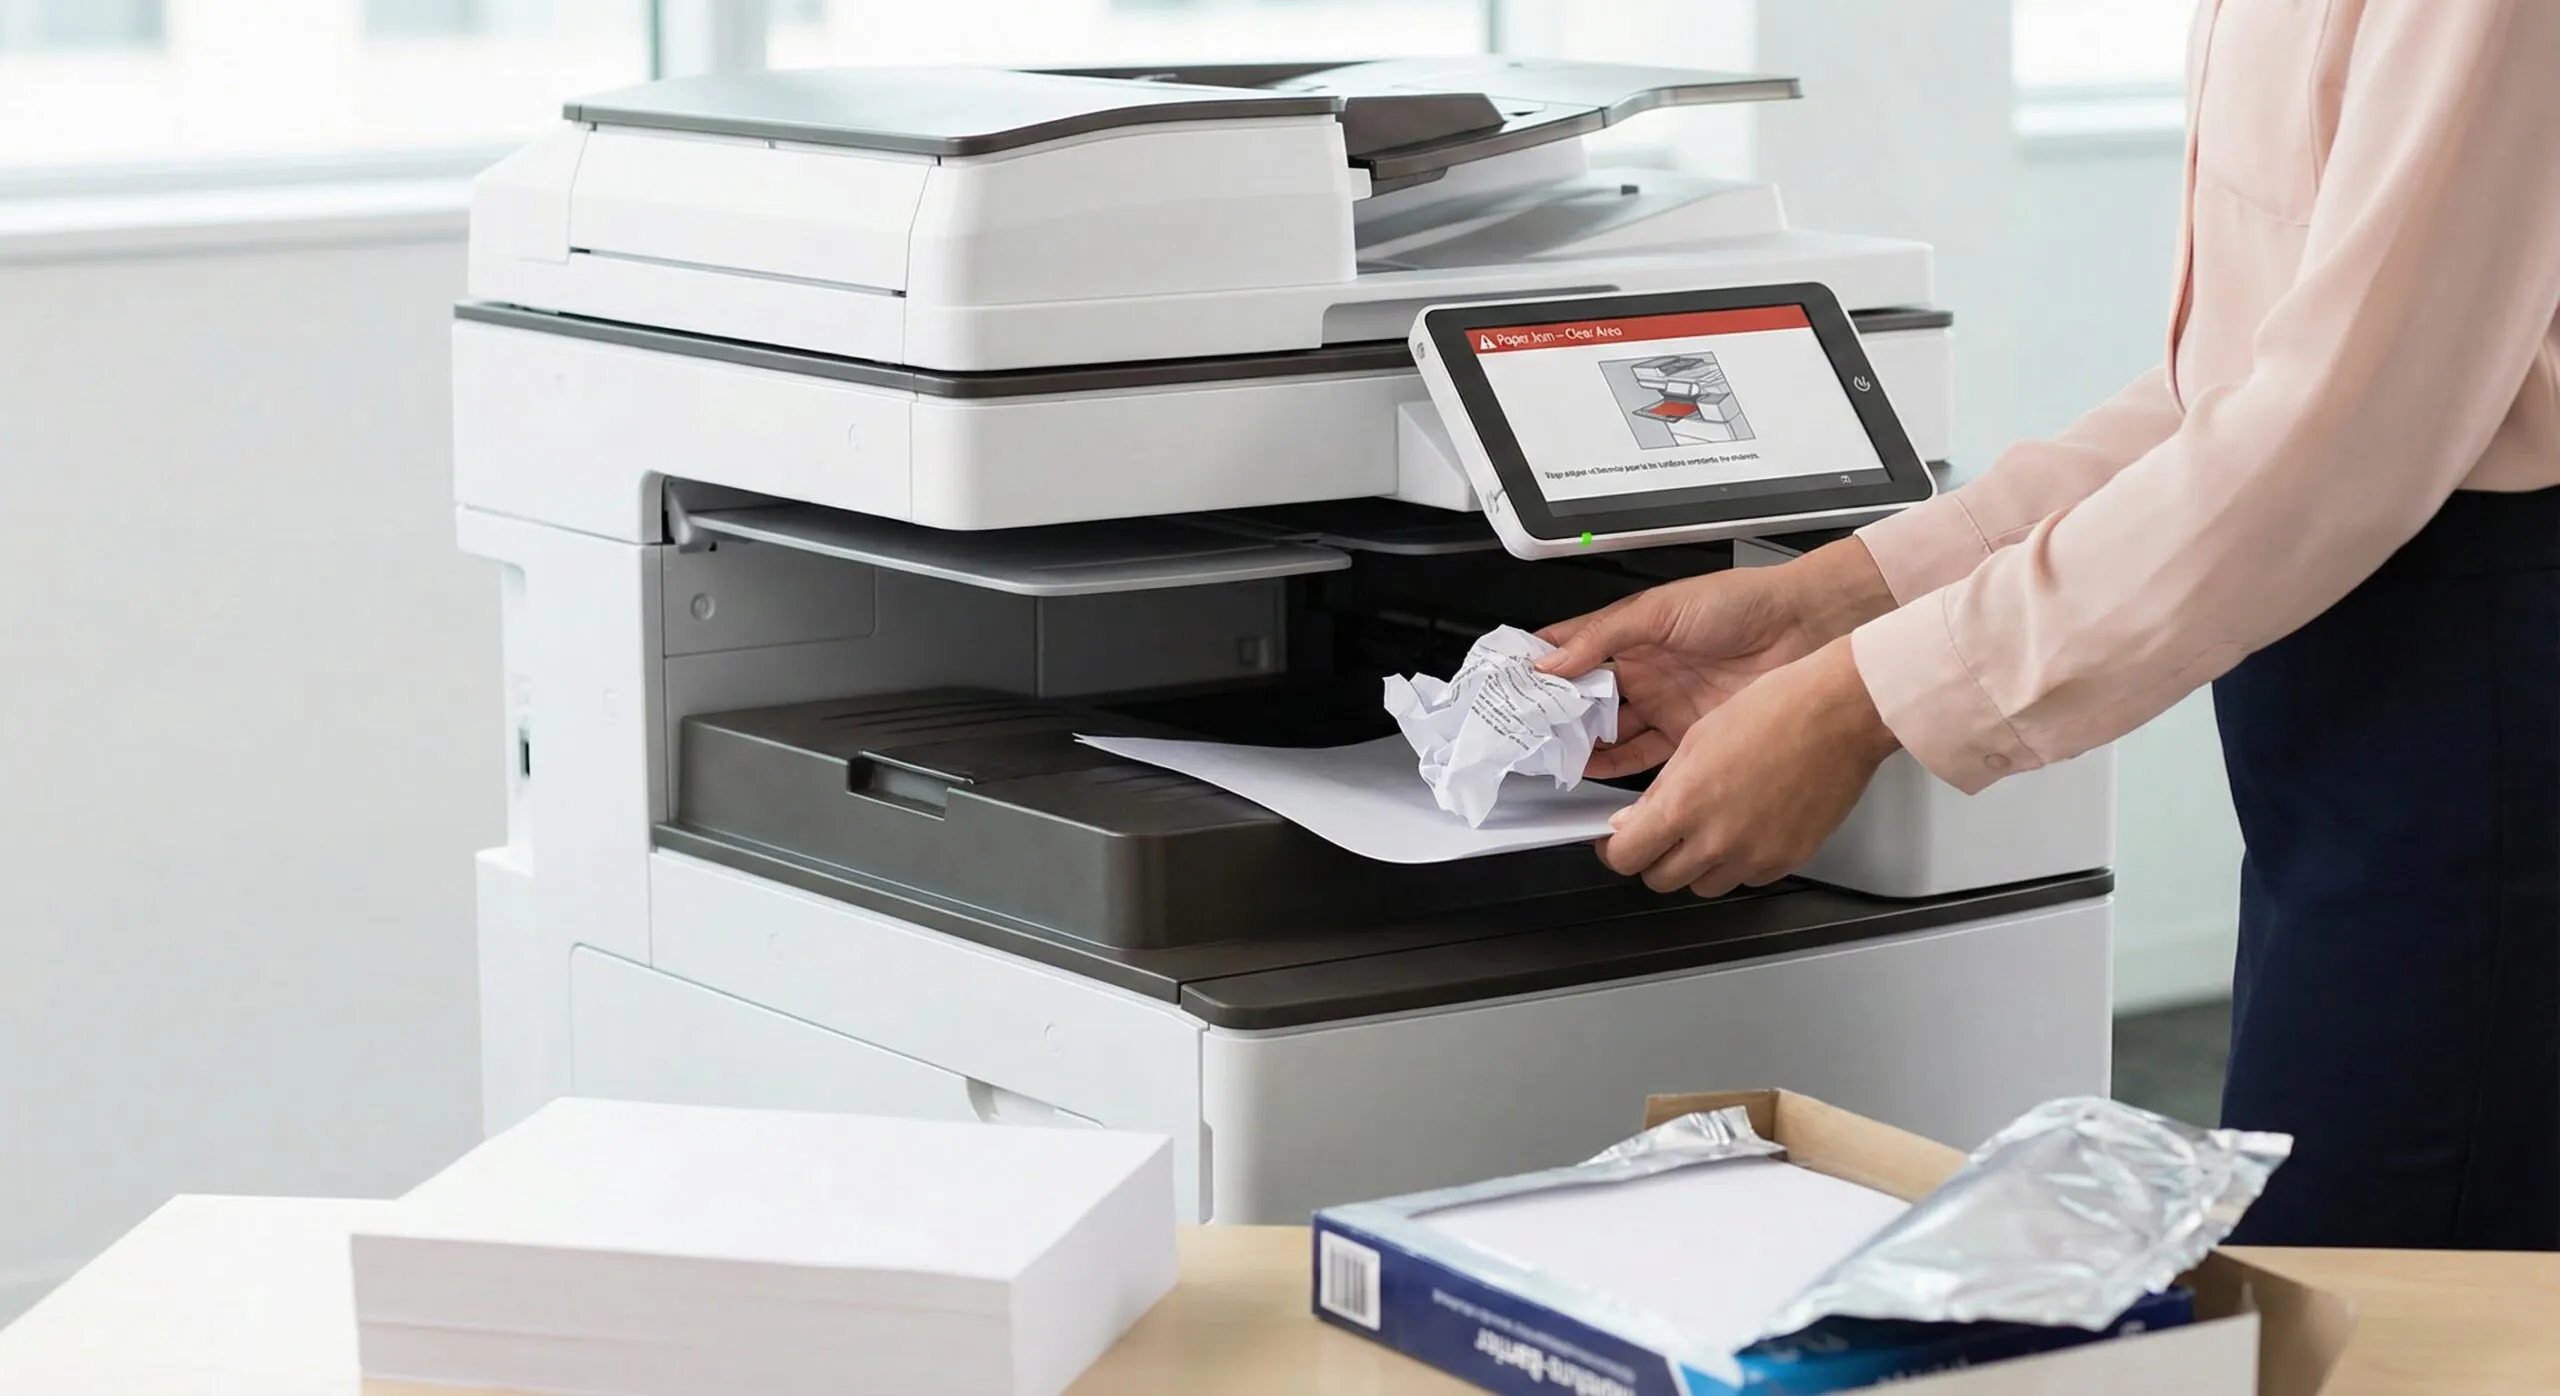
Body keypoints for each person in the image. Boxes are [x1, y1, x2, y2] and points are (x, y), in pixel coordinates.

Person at [1532, 0, 2560, 1250]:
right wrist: (1831, 598)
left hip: (2484, 680)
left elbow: (2337, 434)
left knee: (2388, 1270)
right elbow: (2238, 386)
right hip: (2357, 675)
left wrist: (1858, 700)